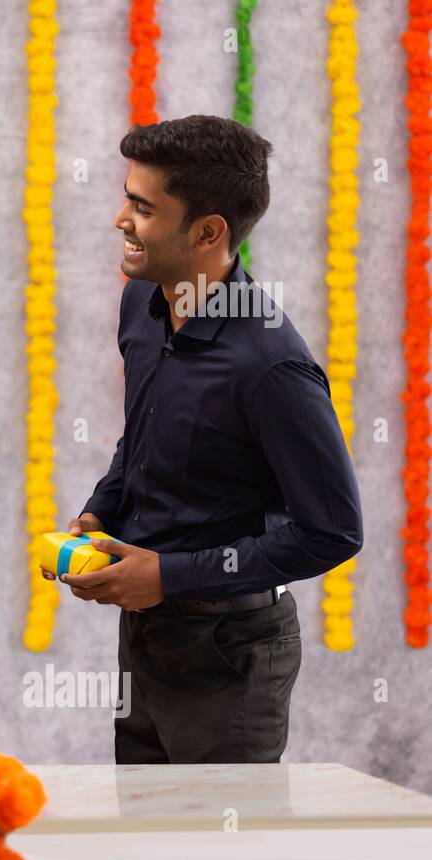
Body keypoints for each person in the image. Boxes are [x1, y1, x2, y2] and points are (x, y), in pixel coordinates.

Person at [47, 115, 363, 763]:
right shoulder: (143, 304)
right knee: (143, 837)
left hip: (230, 653)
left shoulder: (271, 365)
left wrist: (167, 574)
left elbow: (332, 529)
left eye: (142, 206)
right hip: (145, 637)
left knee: (216, 849)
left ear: (209, 231)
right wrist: (101, 508)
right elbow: (144, 434)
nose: (119, 218)